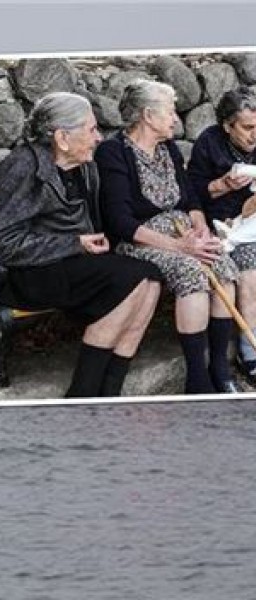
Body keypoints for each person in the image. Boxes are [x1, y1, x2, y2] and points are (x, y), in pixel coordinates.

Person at [0, 91, 162, 398]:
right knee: (132, 278)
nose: (99, 137)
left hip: (72, 263)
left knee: (151, 277)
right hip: (31, 273)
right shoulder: (22, 168)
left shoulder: (84, 165)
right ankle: (84, 392)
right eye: (91, 130)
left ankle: (110, 389)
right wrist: (73, 242)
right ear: (62, 137)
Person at [95, 79, 240, 394]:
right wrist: (181, 247)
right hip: (141, 241)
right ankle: (197, 378)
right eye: (171, 112)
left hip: (182, 233)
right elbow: (120, 222)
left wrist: (200, 230)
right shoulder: (113, 152)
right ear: (148, 116)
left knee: (223, 266)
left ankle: (219, 367)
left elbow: (190, 200)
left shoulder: (169, 148)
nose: (176, 119)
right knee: (191, 272)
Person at [186, 86, 256, 383]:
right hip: (222, 226)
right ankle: (249, 349)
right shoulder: (209, 143)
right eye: (248, 127)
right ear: (227, 126)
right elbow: (191, 194)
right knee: (251, 269)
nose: (255, 134)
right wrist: (223, 185)